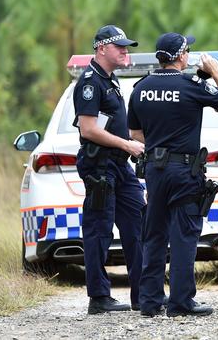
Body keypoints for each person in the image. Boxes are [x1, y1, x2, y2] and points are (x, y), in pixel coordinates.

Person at [128, 32, 218, 317]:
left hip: (154, 169)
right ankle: (180, 303)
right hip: (184, 170)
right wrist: (215, 71)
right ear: (181, 56)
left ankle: (150, 302)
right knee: (184, 235)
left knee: (153, 235)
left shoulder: (141, 87)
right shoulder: (191, 85)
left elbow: (135, 134)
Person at [73, 25, 145, 314]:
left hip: (119, 165)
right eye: (120, 46)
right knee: (99, 230)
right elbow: (88, 129)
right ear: (102, 47)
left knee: (137, 225)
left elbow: (119, 125)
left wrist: (138, 141)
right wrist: (127, 145)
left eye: (127, 46)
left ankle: (145, 294)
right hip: (99, 166)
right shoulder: (90, 82)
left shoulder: (111, 81)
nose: (126, 51)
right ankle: (99, 298)